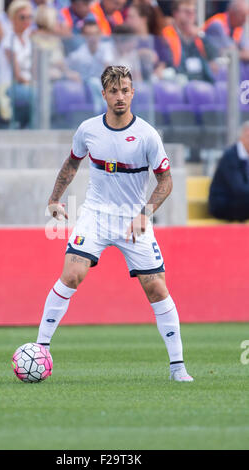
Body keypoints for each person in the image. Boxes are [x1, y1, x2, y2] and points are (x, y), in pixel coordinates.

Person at [36, 65, 194, 382]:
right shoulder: (89, 130)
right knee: (72, 274)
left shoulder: (148, 136)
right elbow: (71, 163)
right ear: (104, 94)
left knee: (156, 288)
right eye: (113, 91)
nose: (119, 96)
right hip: (94, 214)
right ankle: (40, 350)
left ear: (132, 93)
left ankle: (178, 368)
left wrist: (145, 213)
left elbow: (166, 182)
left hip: (133, 219)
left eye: (125, 90)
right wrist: (55, 199)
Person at [0, 0, 33, 127]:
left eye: (29, 17)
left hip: (27, 83)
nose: (26, 21)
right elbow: (17, 75)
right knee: (37, 94)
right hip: (10, 86)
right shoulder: (8, 41)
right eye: (22, 17)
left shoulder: (29, 39)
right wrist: (34, 82)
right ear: (13, 19)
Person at [162, 0, 218, 83]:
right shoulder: (167, 34)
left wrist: (200, 35)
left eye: (193, 12)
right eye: (186, 11)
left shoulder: (198, 35)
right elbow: (169, 63)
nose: (191, 15)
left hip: (202, 80)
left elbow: (213, 55)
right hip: (179, 80)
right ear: (175, 13)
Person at [209, 121, 249, 222]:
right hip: (223, 204)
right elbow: (238, 189)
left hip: (240, 201)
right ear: (242, 137)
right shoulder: (230, 156)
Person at [125, 2, 172, 79]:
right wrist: (140, 54)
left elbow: (164, 63)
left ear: (143, 19)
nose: (127, 20)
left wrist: (159, 69)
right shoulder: (125, 40)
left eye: (131, 17)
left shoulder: (158, 40)